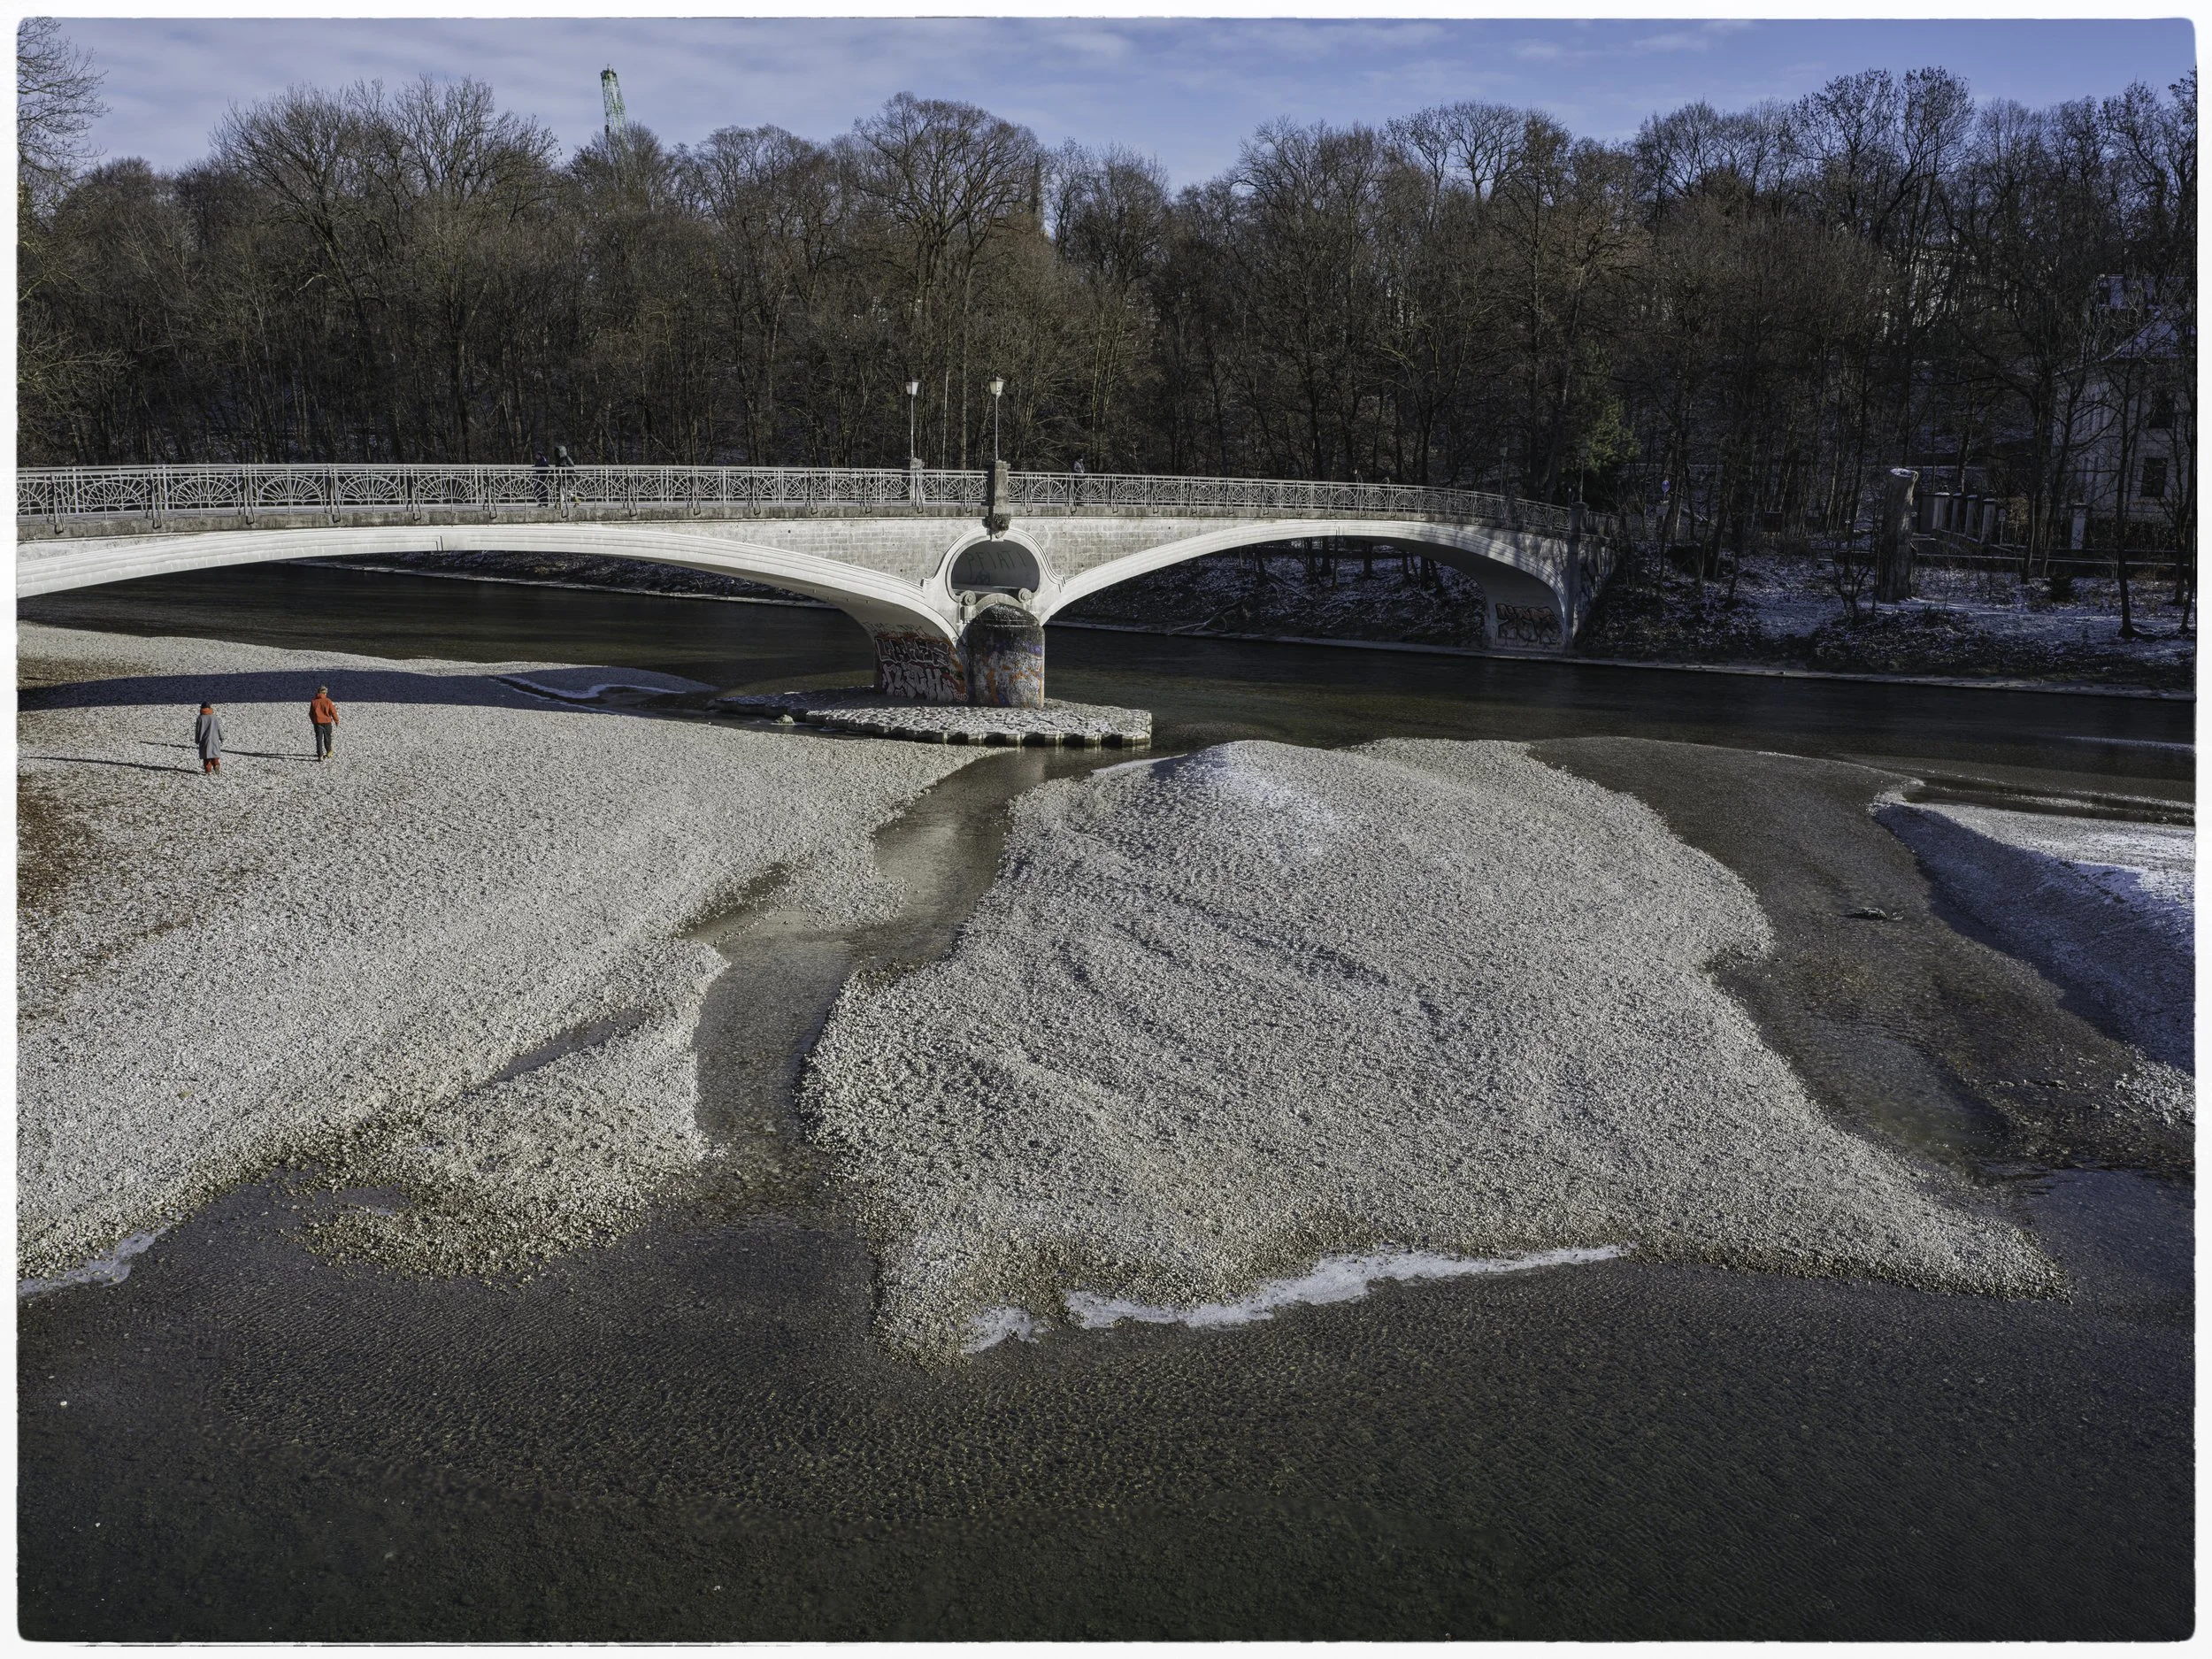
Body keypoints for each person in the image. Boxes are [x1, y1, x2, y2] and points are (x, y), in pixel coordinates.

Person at [309, 684, 339, 761]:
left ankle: (320, 755)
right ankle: (329, 752)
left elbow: (311, 714)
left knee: (319, 739)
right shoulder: (328, 701)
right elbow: (333, 712)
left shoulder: (314, 702)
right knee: (327, 738)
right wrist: (336, 720)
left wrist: (314, 721)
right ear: (325, 693)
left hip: (317, 723)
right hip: (327, 722)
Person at [195, 703, 223, 775]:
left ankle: (208, 771)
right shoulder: (214, 717)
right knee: (214, 754)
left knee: (206, 756)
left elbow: (197, 730)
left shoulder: (200, 718)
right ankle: (216, 764)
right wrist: (221, 737)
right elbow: (219, 729)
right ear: (209, 708)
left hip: (204, 740)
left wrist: (197, 739)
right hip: (214, 739)